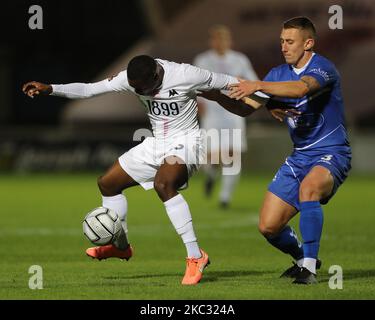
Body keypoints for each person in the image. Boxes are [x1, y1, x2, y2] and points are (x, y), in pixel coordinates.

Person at [22, 55, 256, 285]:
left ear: (156, 75)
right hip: (156, 143)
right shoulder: (130, 78)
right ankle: (120, 247)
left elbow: (235, 82)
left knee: (163, 185)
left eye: (144, 88)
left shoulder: (187, 74)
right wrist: (50, 88)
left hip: (187, 142)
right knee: (108, 183)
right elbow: (89, 90)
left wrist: (273, 100)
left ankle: (195, 256)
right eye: (136, 89)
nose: (141, 92)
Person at [229, 16, 352, 284]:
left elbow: (300, 89)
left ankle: (309, 268)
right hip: (299, 157)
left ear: (308, 43)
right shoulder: (277, 74)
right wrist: (202, 91)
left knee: (310, 189)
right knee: (269, 227)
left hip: (332, 152)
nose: (284, 47)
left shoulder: (323, 68)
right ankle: (302, 258)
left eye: (290, 41)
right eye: (282, 41)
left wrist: (259, 85)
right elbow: (244, 107)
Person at [193, 25, 259, 208]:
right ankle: (212, 174)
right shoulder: (203, 60)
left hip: (234, 113)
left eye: (223, 39)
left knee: (232, 155)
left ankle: (225, 197)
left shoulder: (239, 60)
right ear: (211, 41)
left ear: (229, 41)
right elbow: (195, 84)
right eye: (216, 39)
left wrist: (247, 93)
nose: (220, 42)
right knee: (212, 157)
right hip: (212, 113)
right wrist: (198, 104)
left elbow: (252, 82)